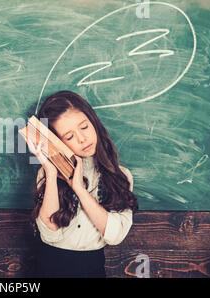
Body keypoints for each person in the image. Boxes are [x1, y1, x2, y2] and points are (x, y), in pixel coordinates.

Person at [24, 90, 138, 278]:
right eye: (69, 137)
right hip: (47, 268)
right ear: (57, 142)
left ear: (93, 122)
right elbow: (50, 234)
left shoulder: (120, 176)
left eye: (84, 127)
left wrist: (79, 189)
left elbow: (116, 235)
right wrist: (51, 173)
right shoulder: (46, 175)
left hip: (92, 269)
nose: (82, 139)